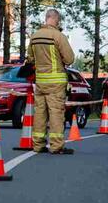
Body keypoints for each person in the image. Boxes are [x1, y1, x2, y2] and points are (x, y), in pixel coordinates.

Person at [25, 9, 75, 155]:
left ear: (46, 18)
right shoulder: (58, 36)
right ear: (56, 19)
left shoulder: (34, 36)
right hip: (56, 83)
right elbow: (69, 59)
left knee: (40, 113)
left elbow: (30, 58)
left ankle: (38, 144)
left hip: (40, 82)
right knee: (56, 113)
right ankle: (56, 146)